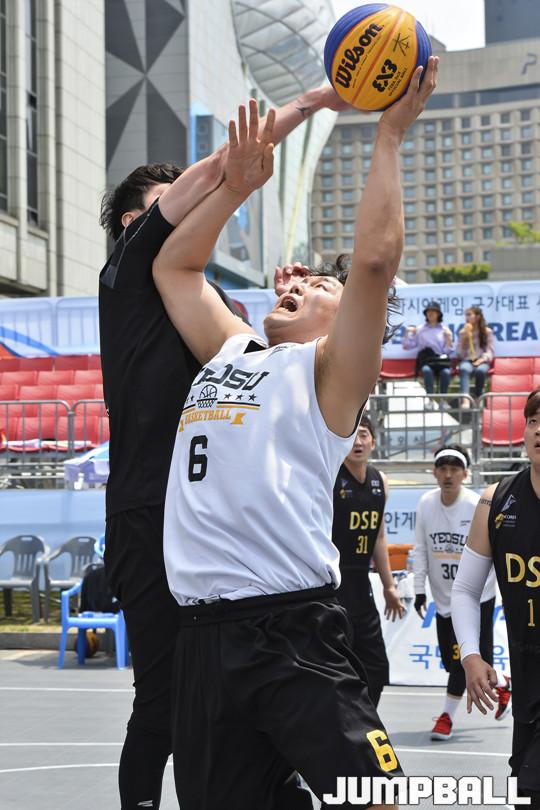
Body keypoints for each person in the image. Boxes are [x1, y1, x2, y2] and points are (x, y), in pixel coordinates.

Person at [154, 58, 439, 810]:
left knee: (377, 798)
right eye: (296, 278)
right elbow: (174, 269)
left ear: (344, 317)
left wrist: (388, 137)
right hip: (204, 638)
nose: (297, 283)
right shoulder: (232, 348)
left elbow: (373, 263)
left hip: (293, 631)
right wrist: (235, 187)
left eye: (318, 285)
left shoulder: (329, 373)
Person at [98, 82, 348, 810]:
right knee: (165, 701)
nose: (194, 206)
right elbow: (220, 170)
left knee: (230, 702)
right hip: (151, 513)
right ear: (135, 223)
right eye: (172, 202)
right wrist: (315, 100)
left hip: (223, 533)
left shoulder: (220, 309)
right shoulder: (129, 275)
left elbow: (279, 371)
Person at [451, 387, 540, 808]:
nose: (539, 430)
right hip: (526, 675)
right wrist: (471, 656)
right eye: (534, 421)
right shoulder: (497, 500)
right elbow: (466, 589)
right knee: (524, 789)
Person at [413, 443, 499, 740]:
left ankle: (446, 717)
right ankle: (505, 684)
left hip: (476, 597)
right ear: (434, 472)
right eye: (443, 469)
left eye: (454, 469)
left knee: (463, 662)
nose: (448, 475)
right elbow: (420, 549)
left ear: (465, 473)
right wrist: (419, 589)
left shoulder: (477, 505)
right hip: (443, 598)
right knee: (455, 663)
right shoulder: (426, 503)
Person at [332, 413, 404, 707]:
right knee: (339, 664)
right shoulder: (331, 477)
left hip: (362, 584)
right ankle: (341, 723)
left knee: (376, 666)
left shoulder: (380, 481)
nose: (358, 442)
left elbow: (379, 538)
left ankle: (364, 720)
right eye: (352, 435)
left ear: (373, 442)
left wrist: (389, 586)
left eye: (363, 435)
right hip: (333, 584)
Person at [402, 300, 453, 409]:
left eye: (433, 311)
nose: (430, 313)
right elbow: (408, 346)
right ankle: (430, 400)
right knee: (426, 371)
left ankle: (443, 400)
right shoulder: (420, 329)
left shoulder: (444, 329)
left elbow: (447, 351)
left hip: (440, 361)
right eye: (428, 312)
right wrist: (406, 333)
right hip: (427, 361)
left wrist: (449, 339)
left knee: (446, 372)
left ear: (438, 314)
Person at [456, 305, 495, 406]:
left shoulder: (487, 332)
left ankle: (479, 397)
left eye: (469, 315)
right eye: (466, 315)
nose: (467, 317)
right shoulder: (462, 332)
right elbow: (459, 353)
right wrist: (464, 340)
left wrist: (481, 360)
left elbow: (490, 351)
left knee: (480, 371)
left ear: (477, 317)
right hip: (467, 360)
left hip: (482, 360)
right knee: (464, 369)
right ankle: (465, 399)